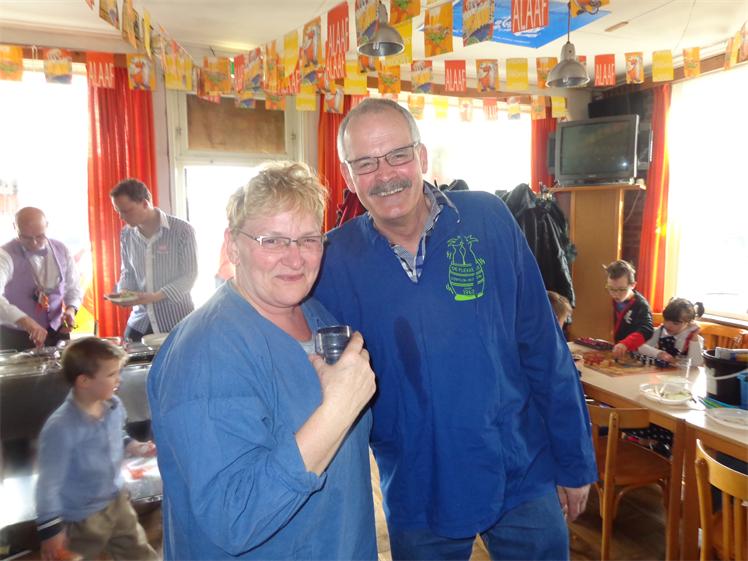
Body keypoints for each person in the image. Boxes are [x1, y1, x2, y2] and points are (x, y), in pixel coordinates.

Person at [313, 98, 596, 561]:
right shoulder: (333, 259)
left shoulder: (488, 219)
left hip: (520, 470)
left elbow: (544, 348)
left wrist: (573, 459)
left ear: (421, 156)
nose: (385, 174)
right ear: (347, 176)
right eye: (365, 163)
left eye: (398, 155)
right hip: (419, 484)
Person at [147, 162, 377, 560]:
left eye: (309, 239)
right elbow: (234, 515)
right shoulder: (204, 354)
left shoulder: (315, 315)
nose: (295, 258)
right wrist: (337, 411)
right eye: (272, 240)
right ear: (233, 246)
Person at [35, 337, 158, 561]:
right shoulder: (60, 427)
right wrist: (50, 530)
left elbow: (117, 434)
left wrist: (135, 446)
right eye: (112, 374)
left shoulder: (114, 406)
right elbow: (48, 484)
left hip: (118, 502)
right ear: (84, 381)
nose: (119, 379)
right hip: (82, 516)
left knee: (139, 553)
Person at [109, 178, 197, 342]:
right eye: (118, 211)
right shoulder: (126, 234)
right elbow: (128, 271)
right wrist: (125, 292)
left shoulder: (182, 230)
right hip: (140, 321)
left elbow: (189, 276)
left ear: (144, 203)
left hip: (176, 320)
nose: (121, 217)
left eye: (127, 211)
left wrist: (153, 297)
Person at [0, 207, 82, 351]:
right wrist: (25, 321)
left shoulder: (62, 249)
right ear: (15, 228)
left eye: (39, 236)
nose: (34, 243)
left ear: (47, 226)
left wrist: (71, 310)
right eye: (26, 237)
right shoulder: (4, 255)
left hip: (57, 332)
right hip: (16, 336)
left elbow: (74, 288)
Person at [603, 259, 654, 359]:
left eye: (622, 289)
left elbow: (647, 329)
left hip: (634, 354)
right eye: (611, 289)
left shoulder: (640, 304)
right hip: (618, 350)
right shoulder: (613, 300)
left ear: (633, 285)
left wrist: (625, 344)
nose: (616, 294)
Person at [637, 298, 705, 366]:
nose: (668, 325)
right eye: (666, 320)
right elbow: (640, 347)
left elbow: (696, 363)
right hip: (660, 371)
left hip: (681, 372)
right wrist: (659, 353)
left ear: (688, 323)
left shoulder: (694, 338)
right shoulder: (661, 331)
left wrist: (694, 337)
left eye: (675, 323)